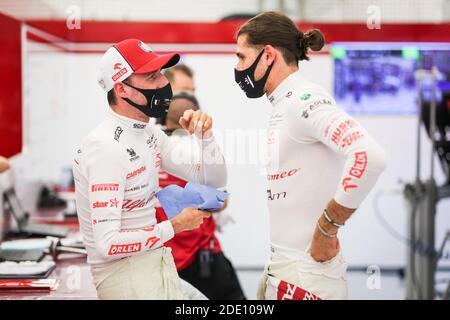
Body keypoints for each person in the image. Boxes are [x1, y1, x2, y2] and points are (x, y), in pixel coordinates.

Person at [234, 12, 387, 300]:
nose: (238, 67)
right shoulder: (284, 103)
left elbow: (369, 156)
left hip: (306, 276)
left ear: (268, 55)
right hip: (284, 268)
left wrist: (327, 227)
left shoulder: (305, 100)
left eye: (242, 57)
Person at [73, 39, 227, 299]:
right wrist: (175, 226)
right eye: (152, 76)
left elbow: (214, 180)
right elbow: (107, 244)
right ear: (122, 89)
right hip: (126, 279)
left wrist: (206, 137)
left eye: (161, 75)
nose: (163, 84)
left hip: (156, 266)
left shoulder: (149, 134)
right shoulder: (104, 147)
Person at [156, 91, 246, 300]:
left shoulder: (152, 152)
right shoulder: (196, 152)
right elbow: (219, 202)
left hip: (164, 260)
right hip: (202, 261)